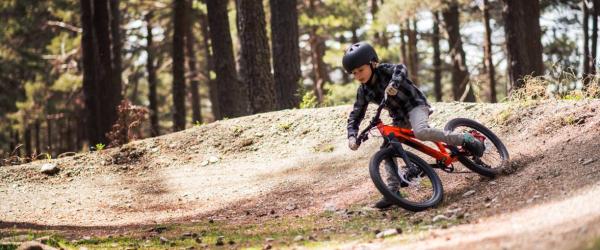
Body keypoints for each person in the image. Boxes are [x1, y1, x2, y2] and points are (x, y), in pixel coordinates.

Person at [343, 42, 484, 209]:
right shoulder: (363, 91)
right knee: (386, 152)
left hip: (415, 105)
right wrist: (352, 136)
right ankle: (393, 192)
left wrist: (394, 83)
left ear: (373, 63)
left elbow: (400, 68)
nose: (358, 75)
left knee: (421, 132)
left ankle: (465, 138)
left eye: (361, 70)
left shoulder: (384, 71)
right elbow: (356, 114)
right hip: (399, 116)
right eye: (354, 73)